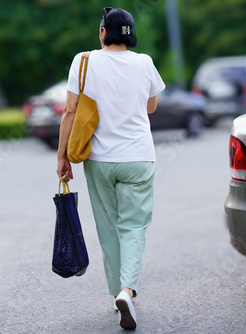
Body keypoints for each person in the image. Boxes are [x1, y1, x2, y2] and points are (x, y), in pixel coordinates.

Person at [56, 7, 165, 330]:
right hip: (137, 158)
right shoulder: (144, 62)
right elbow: (151, 105)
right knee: (133, 226)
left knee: (108, 229)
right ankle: (126, 290)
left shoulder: (84, 60)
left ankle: (117, 292)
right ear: (130, 34)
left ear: (104, 32)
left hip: (99, 160)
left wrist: (62, 156)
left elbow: (70, 112)